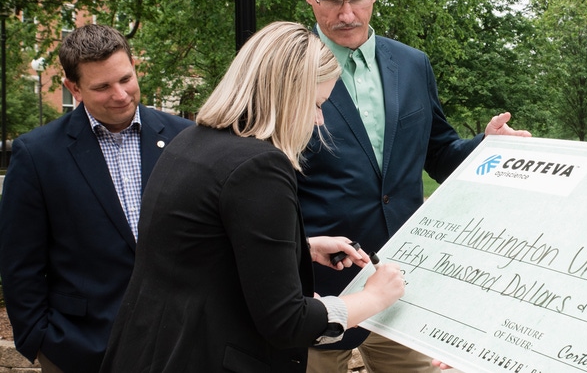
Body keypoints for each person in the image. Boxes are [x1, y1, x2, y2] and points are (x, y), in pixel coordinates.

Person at [98, 21, 406, 373]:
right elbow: (286, 321)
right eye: (317, 103)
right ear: (288, 97)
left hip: (149, 351)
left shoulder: (190, 142)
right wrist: (374, 297)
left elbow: (202, 252)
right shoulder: (259, 167)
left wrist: (300, 248)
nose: (320, 120)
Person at [297, 0, 531, 372]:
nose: (346, 15)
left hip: (402, 286)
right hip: (315, 294)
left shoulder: (412, 64)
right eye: (330, 1)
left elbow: (440, 153)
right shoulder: (285, 71)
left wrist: (488, 147)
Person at [0, 24, 193, 373]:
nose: (120, 95)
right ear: (73, 88)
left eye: (126, 79)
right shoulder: (38, 154)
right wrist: (40, 340)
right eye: (102, 87)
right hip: (79, 349)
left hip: (177, 344)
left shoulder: (186, 138)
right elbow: (20, 263)